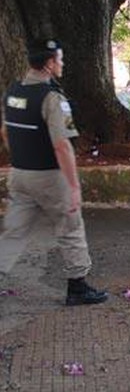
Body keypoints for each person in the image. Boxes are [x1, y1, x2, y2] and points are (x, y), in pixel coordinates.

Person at [0, 38, 109, 306]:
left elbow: (5, 131)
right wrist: (73, 187)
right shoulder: (52, 98)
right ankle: (78, 286)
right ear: (49, 64)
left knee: (14, 231)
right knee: (70, 226)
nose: (62, 63)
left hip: (20, 175)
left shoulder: (13, 91)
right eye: (59, 59)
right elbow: (62, 146)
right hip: (49, 177)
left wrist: (22, 158)